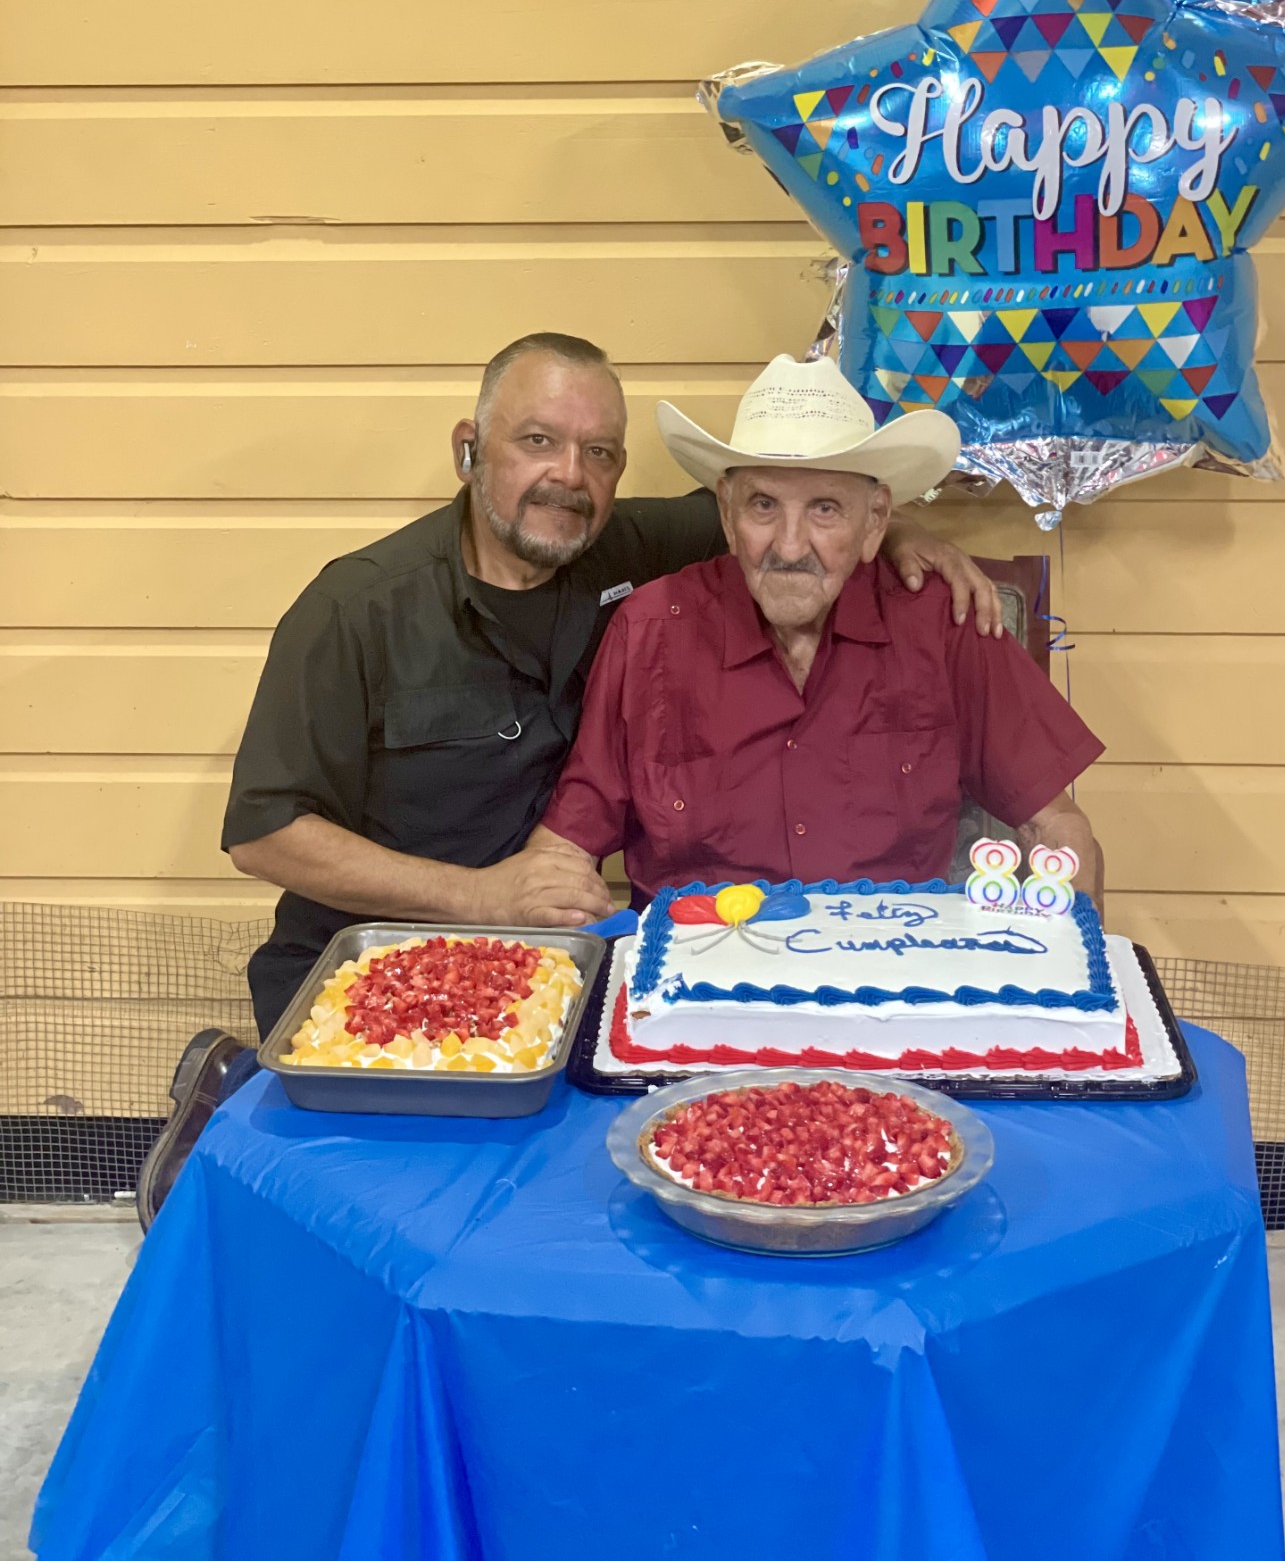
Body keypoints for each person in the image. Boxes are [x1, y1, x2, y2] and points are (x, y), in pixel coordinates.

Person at [137, 334, 1001, 1228]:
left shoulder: (620, 540)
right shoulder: (356, 609)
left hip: (555, 969)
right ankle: (234, 1107)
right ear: (468, 448)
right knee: (395, 1227)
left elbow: (788, 519)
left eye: (600, 453)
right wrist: (478, 898)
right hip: (378, 969)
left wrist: (903, 538)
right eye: (536, 442)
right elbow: (261, 832)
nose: (568, 476)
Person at [531, 352, 1104, 903]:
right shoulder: (650, 631)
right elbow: (568, 846)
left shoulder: (942, 622)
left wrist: (1074, 971)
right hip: (698, 984)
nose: (788, 545)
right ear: (727, 514)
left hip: (891, 980)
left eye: (825, 508)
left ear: (876, 520)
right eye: (763, 505)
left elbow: (1056, 825)